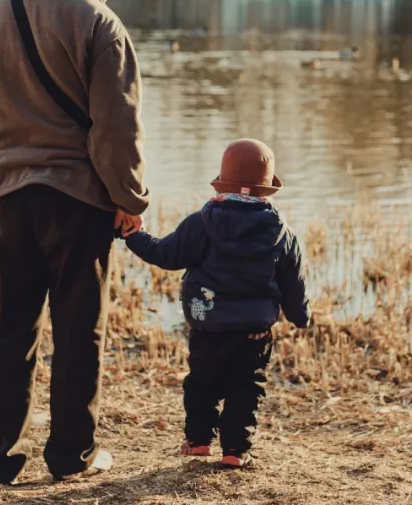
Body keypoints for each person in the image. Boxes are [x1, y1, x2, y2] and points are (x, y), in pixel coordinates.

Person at [0, 0, 150, 485]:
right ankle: (72, 455)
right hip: (76, 199)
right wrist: (129, 198)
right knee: (78, 330)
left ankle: (1, 459)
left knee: (8, 329)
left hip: (3, 193)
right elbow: (116, 128)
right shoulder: (101, 23)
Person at [124, 139, 311, 468]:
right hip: (254, 331)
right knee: (247, 387)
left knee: (202, 381)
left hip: (207, 324)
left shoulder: (202, 223)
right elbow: (293, 282)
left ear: (223, 181)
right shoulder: (283, 234)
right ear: (266, 190)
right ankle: (235, 451)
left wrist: (134, 235)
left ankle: (198, 442)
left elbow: (165, 254)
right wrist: (300, 316)